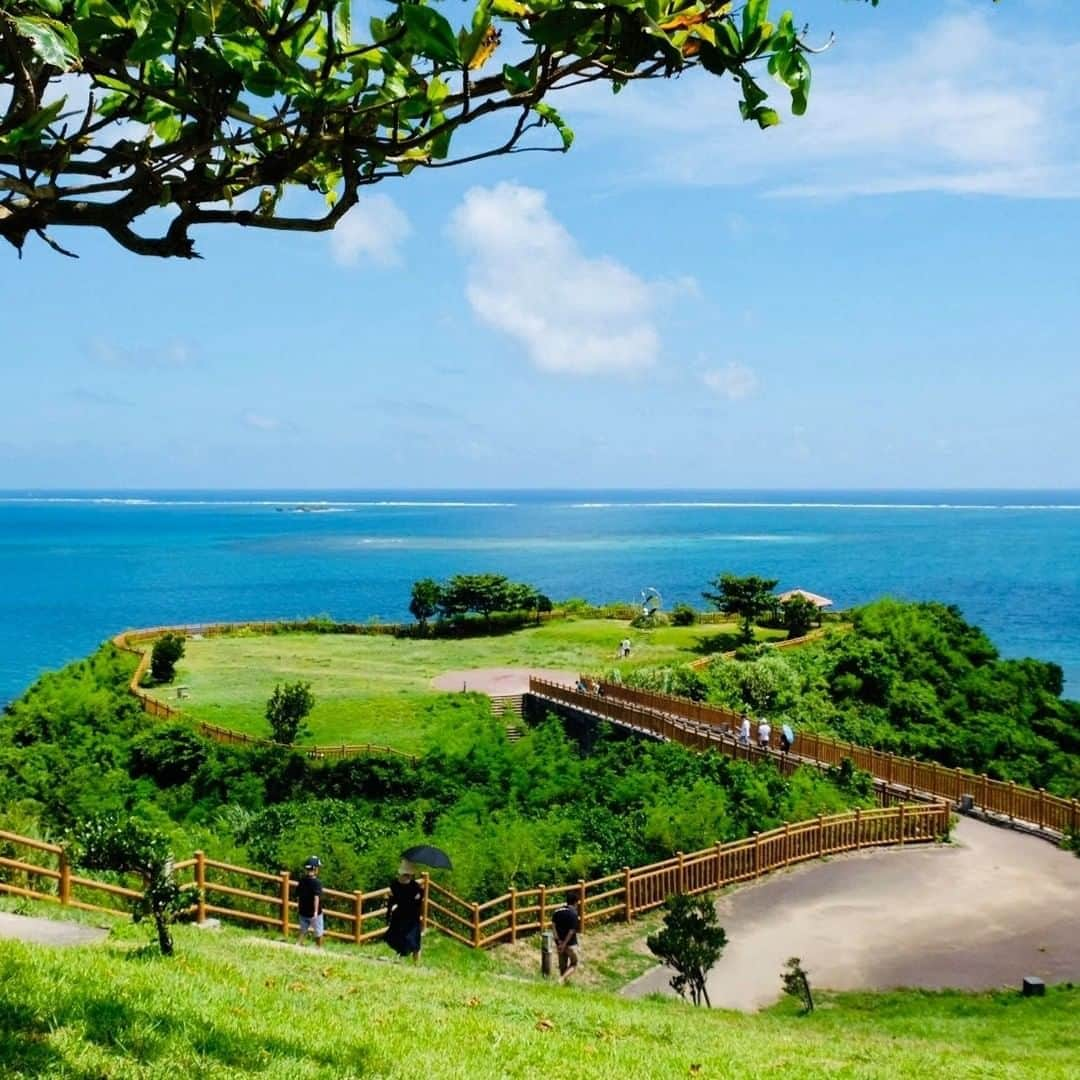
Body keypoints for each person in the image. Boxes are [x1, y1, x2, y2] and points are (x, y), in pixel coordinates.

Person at [385, 859, 424, 963]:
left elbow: (392, 901)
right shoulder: (415, 887)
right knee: (415, 940)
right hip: (412, 917)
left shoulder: (394, 885)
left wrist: (388, 914)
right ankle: (417, 963)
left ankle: (399, 957)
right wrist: (420, 893)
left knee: (399, 937)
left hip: (399, 915)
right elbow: (418, 901)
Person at [551, 892, 581, 983]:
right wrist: (564, 944)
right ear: (575, 903)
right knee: (574, 963)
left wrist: (559, 942)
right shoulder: (574, 914)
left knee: (562, 967)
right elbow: (571, 931)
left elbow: (553, 927)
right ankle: (562, 979)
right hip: (571, 944)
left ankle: (562, 984)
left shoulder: (557, 912)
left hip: (559, 944)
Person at [296, 856, 324, 948]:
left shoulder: (301, 880)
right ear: (315, 869)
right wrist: (316, 912)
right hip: (314, 913)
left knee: (302, 930)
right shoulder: (317, 883)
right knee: (318, 932)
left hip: (303, 911)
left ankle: (298, 945)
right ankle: (318, 948)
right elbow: (316, 897)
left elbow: (298, 895)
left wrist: (298, 907)